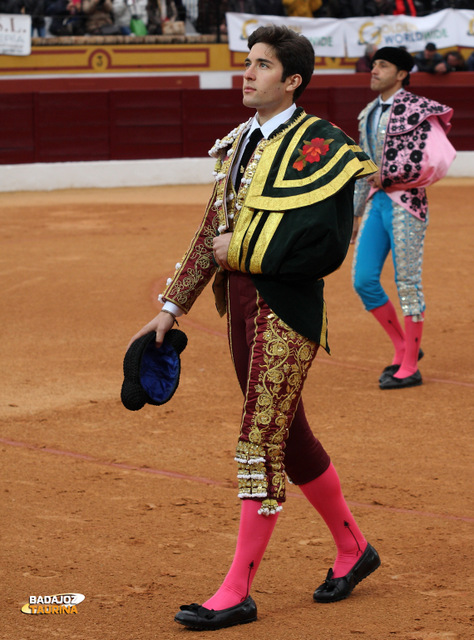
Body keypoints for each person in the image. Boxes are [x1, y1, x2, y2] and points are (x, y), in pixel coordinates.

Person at [127, 25, 380, 631]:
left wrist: (237, 250)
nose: (247, 73)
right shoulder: (240, 142)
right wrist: (172, 306)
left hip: (286, 308)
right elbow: (207, 233)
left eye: (261, 65)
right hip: (240, 307)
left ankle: (237, 588)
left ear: (292, 80)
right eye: (248, 62)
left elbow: (322, 245)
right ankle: (353, 549)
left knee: (260, 437)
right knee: (288, 435)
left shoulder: (323, 146)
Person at [352, 47, 456, 389]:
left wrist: (391, 176)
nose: (374, 70)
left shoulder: (419, 108)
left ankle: (410, 365)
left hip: (407, 203)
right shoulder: (368, 112)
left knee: (407, 282)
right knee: (363, 279)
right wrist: (355, 214)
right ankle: (401, 345)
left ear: (401, 74)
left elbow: (437, 159)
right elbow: (362, 167)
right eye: (374, 64)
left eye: (383, 65)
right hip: (377, 203)